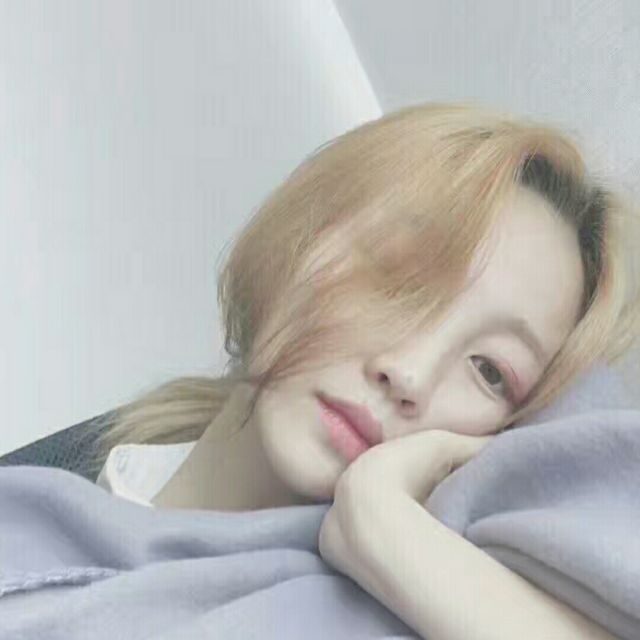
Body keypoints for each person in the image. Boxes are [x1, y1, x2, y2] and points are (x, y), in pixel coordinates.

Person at [95, 102, 639, 639]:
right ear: (303, 235)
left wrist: (379, 519)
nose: (410, 374)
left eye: (490, 371)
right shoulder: (75, 479)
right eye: (401, 277)